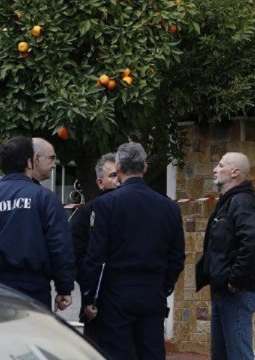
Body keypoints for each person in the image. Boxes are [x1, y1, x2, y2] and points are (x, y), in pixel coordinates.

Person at [80, 142, 185, 360]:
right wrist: (163, 287)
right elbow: (176, 257)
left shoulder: (106, 204)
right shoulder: (169, 207)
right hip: (153, 292)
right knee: (152, 353)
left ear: (118, 167)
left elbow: (95, 255)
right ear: (145, 167)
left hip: (115, 293)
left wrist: (89, 296)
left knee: (115, 353)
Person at [0, 136, 75, 311]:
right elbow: (59, 245)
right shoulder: (45, 198)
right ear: (30, 162)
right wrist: (64, 287)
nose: (53, 165)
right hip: (33, 291)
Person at [195, 152, 255, 360]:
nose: (215, 169)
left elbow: (254, 239)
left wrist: (236, 279)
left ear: (235, 172)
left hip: (236, 293)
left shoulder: (241, 201)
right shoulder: (227, 202)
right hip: (222, 292)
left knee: (238, 355)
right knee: (221, 355)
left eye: (220, 165)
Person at [70, 153, 119, 340]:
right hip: (99, 297)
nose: (118, 180)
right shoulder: (87, 212)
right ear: (100, 182)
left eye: (120, 174)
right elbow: (77, 254)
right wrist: (90, 290)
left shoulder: (137, 208)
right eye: (112, 175)